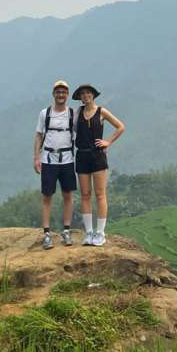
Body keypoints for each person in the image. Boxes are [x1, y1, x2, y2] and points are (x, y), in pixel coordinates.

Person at [72, 84, 125, 246]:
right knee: (85, 195)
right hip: (81, 155)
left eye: (88, 93)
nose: (85, 95)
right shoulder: (77, 113)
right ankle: (89, 232)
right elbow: (71, 129)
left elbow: (120, 126)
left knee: (100, 194)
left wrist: (107, 142)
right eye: (82, 94)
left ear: (93, 95)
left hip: (97, 156)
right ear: (80, 97)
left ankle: (100, 232)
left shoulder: (102, 111)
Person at [34, 80, 78, 250]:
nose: (61, 95)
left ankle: (66, 230)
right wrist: (36, 157)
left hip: (67, 159)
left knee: (68, 194)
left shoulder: (72, 114)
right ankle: (46, 233)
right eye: (58, 92)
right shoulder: (45, 114)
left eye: (64, 92)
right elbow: (38, 136)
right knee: (47, 196)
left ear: (67, 95)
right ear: (53, 94)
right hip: (48, 159)